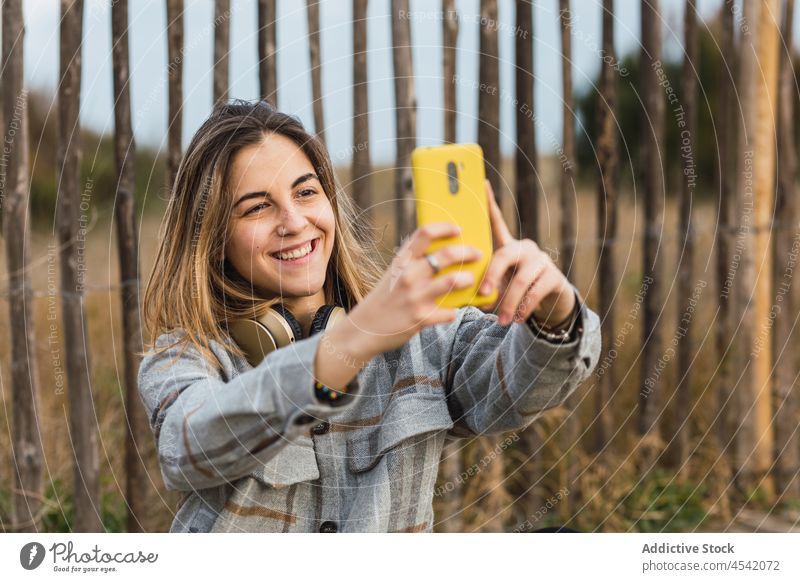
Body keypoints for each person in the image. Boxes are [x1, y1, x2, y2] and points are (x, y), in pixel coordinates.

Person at [138, 99, 601, 533]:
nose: (294, 221)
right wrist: (352, 342)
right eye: (257, 207)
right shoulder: (182, 358)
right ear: (213, 237)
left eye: (306, 192)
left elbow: (523, 389)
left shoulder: (421, 340)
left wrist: (555, 312)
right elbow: (189, 446)